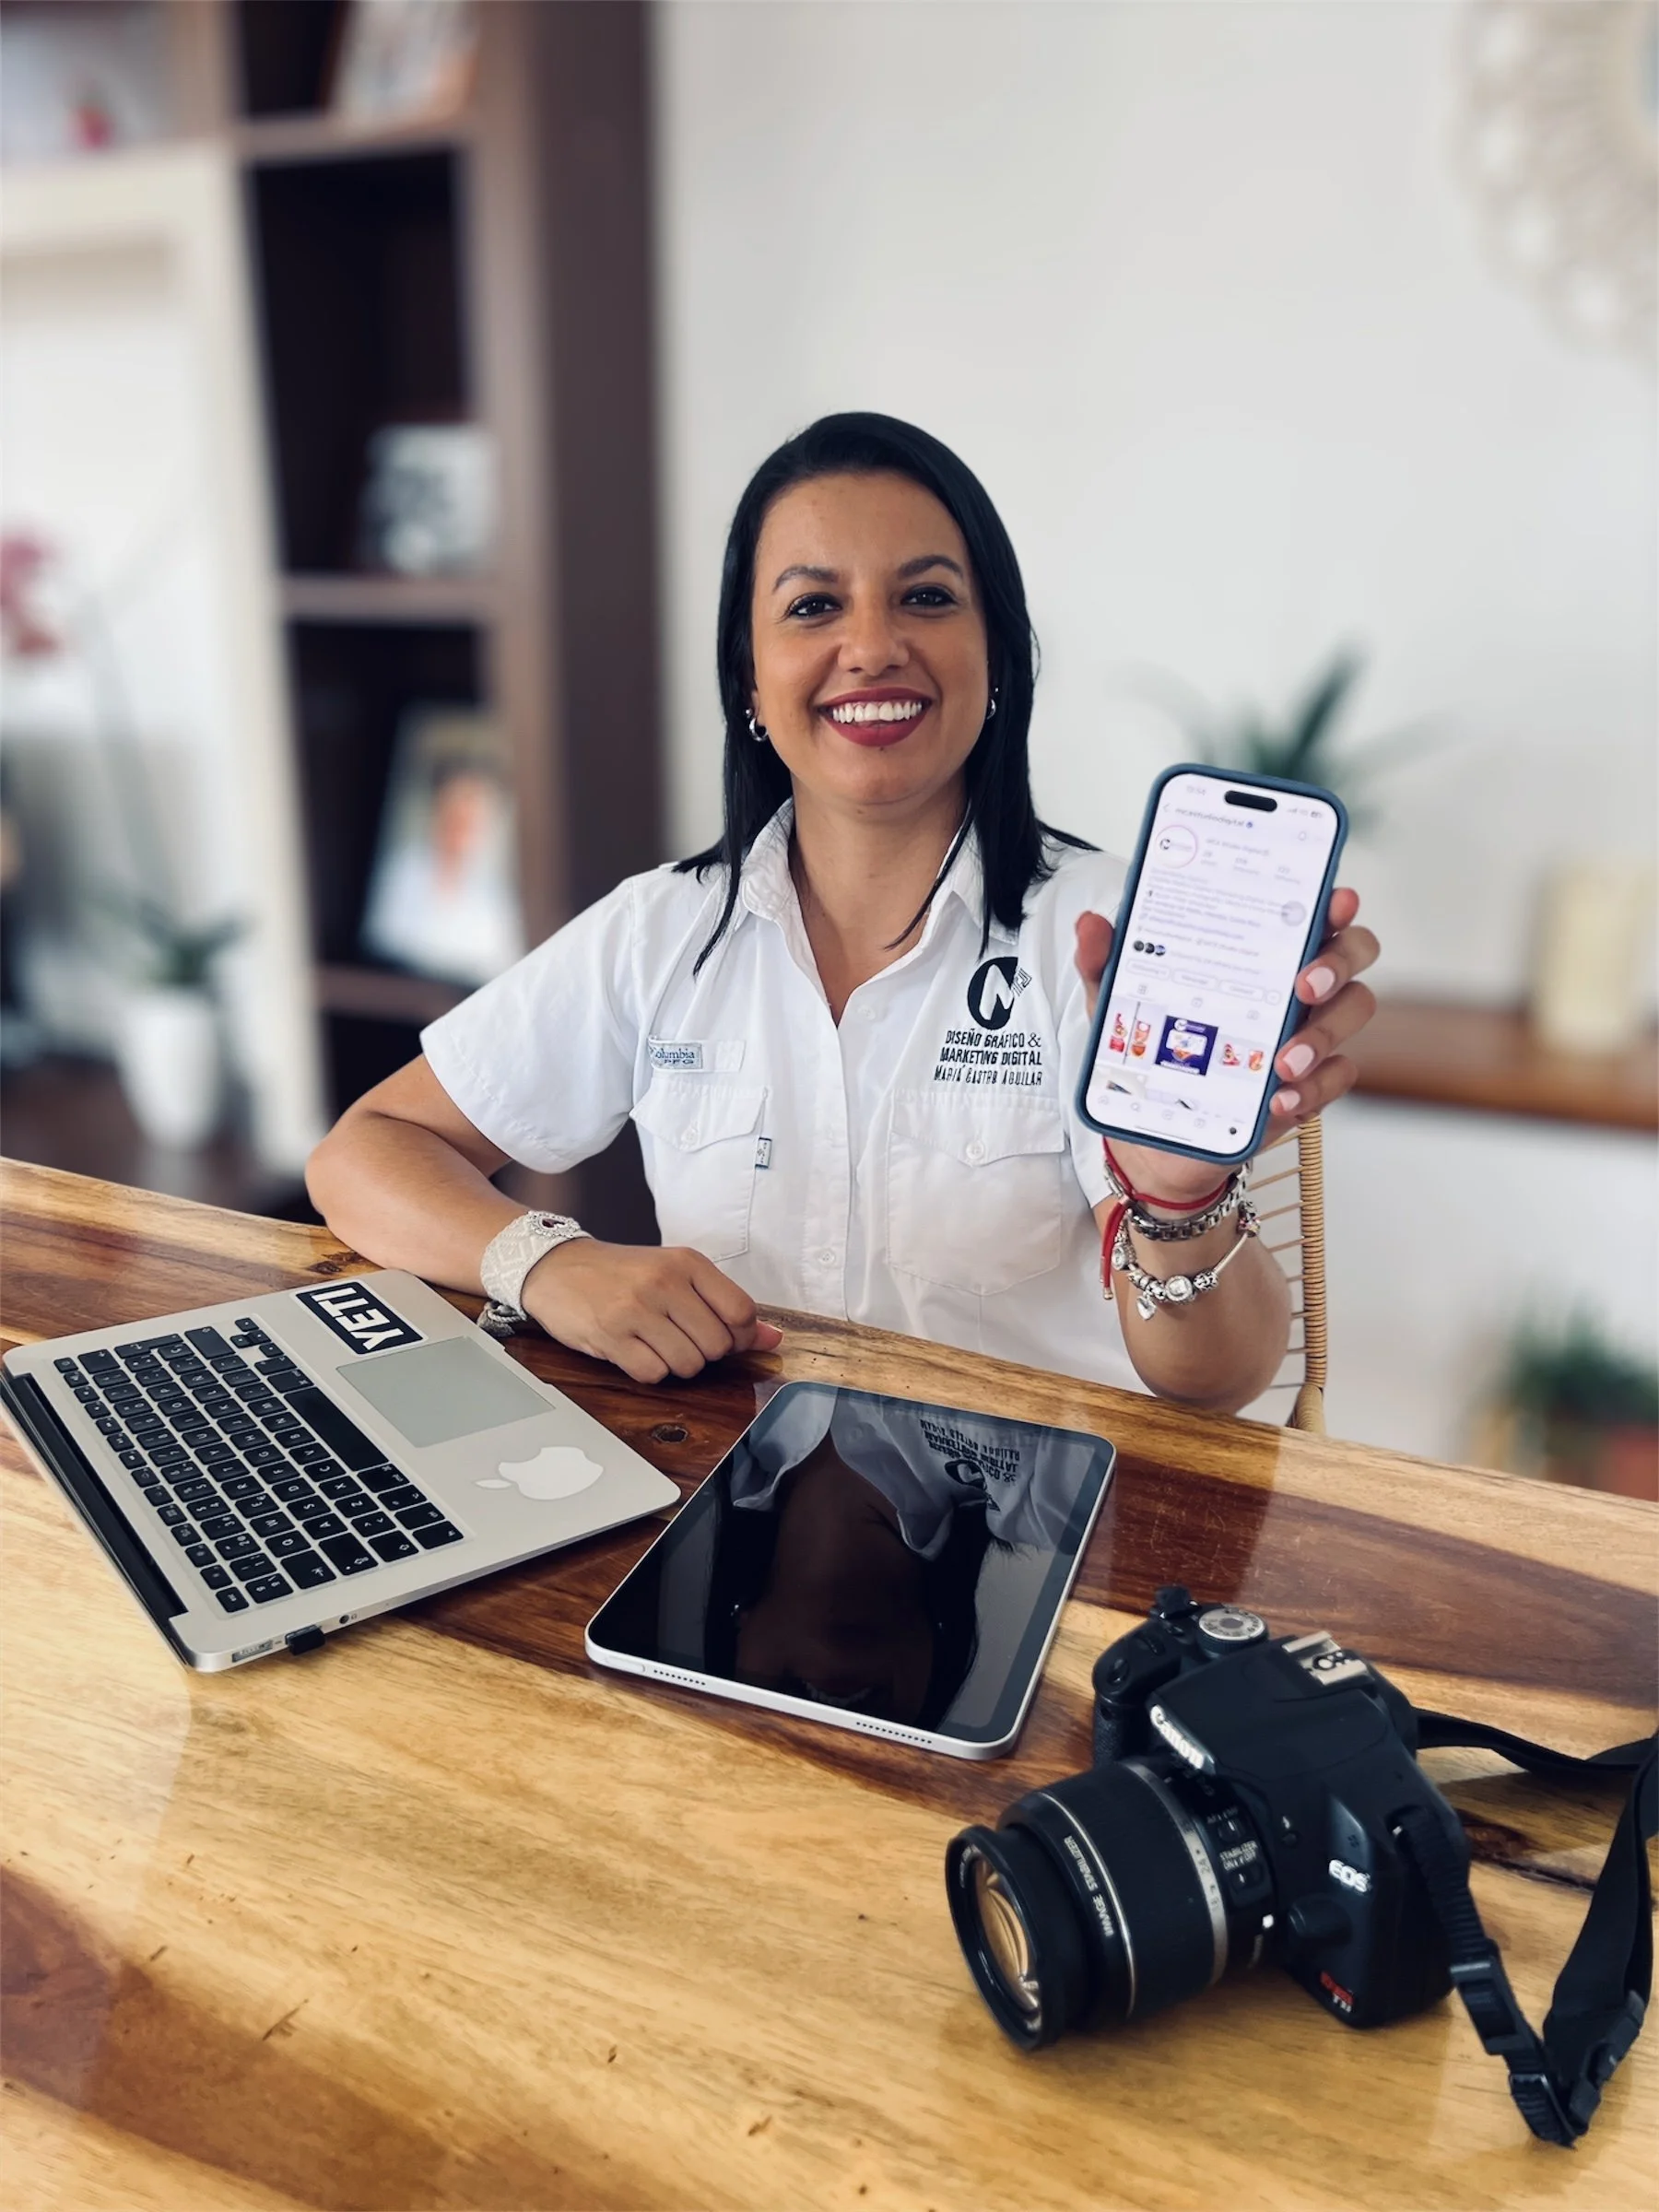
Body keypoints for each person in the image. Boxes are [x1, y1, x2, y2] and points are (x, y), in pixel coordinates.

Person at [308, 413, 1378, 1412]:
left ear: (997, 653)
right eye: (813, 606)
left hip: (1032, 1541)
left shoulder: (1100, 937)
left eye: (925, 598)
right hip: (740, 1513)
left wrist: (1178, 1207)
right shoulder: (660, 931)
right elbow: (363, 1153)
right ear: (750, 676)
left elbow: (1221, 1385)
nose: (871, 648)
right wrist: (547, 1264)